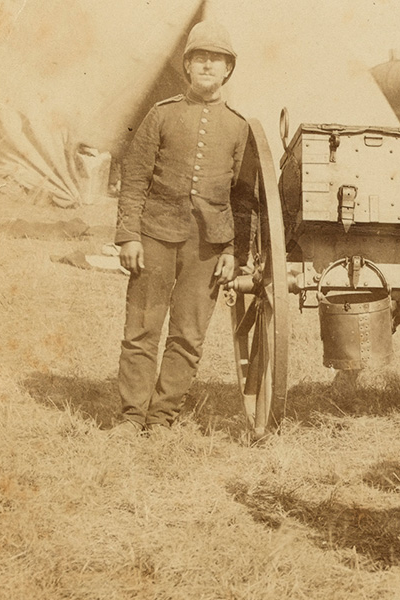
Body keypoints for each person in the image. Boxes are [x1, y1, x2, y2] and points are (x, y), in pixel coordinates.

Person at [109, 21, 252, 436]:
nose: (208, 66)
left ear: (228, 69)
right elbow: (134, 178)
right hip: (154, 234)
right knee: (141, 328)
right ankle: (131, 417)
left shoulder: (238, 126)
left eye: (217, 59)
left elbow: (244, 200)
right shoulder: (161, 114)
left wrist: (233, 252)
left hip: (208, 246)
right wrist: (129, 235)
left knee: (188, 335)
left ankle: (161, 418)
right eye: (200, 58)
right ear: (188, 66)